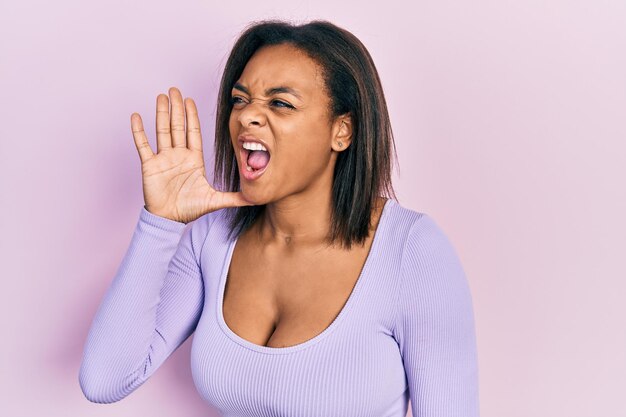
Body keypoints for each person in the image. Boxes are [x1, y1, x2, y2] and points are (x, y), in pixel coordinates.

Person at [79, 19, 479, 417]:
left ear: (342, 132)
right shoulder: (211, 238)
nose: (247, 116)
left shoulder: (412, 251)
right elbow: (105, 379)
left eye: (280, 103)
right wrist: (160, 221)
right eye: (240, 100)